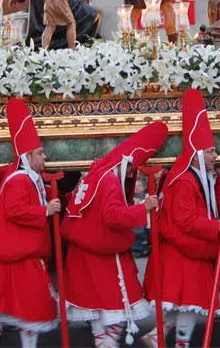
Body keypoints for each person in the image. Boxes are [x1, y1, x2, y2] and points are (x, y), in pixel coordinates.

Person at [62, 122, 167, 347]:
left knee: (97, 309)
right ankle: (106, 344)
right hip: (106, 253)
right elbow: (113, 216)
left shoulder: (94, 174)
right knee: (122, 306)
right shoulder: (109, 179)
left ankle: (103, 343)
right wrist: (144, 208)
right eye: (131, 168)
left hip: (83, 251)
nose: (131, 173)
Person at [142, 89, 220, 348]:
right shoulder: (184, 181)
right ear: (196, 154)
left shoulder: (196, 177)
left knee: (185, 304)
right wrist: (217, 226)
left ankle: (159, 337)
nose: (215, 156)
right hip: (183, 252)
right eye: (211, 152)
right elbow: (185, 220)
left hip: (188, 250)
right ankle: (176, 342)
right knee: (191, 304)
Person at [0, 99, 60, 348]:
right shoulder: (20, 180)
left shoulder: (28, 178)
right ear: (27, 156)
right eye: (40, 153)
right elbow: (15, 210)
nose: (45, 156)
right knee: (22, 314)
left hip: (18, 257)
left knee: (22, 315)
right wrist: (45, 210)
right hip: (15, 257)